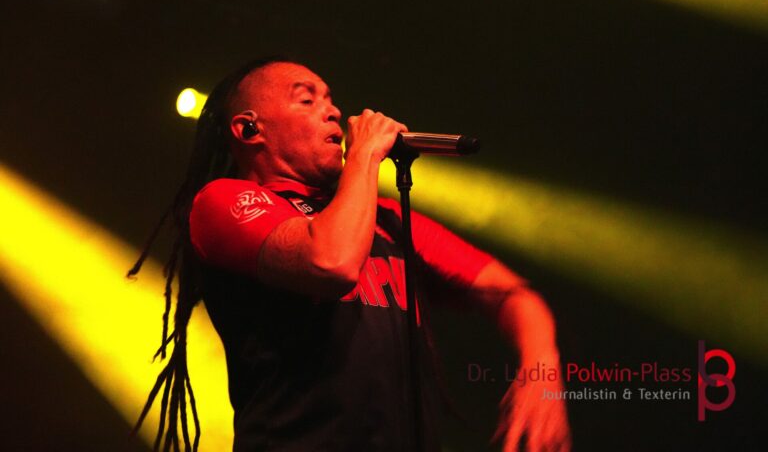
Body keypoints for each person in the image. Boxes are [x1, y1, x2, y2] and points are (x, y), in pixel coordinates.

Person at [131, 58, 571, 452]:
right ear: (249, 129)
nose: (334, 111)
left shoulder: (386, 219)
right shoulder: (223, 201)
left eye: (330, 99)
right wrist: (364, 154)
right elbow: (331, 262)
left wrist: (541, 368)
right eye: (307, 99)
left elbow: (514, 294)